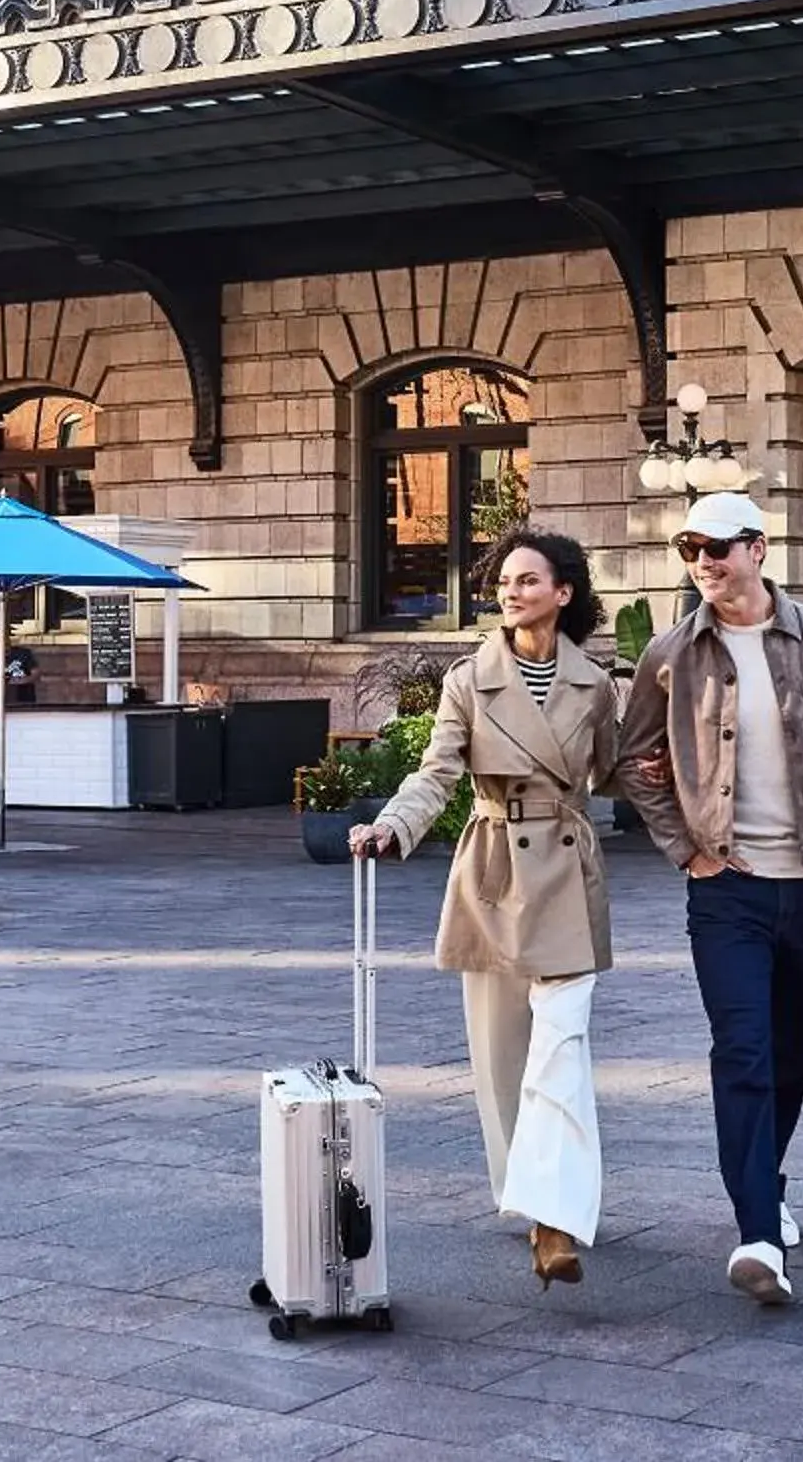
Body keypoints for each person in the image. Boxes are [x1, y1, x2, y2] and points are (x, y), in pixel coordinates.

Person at [619, 489, 803, 1309]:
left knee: (791, 1052)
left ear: (758, 548)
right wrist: (684, 847)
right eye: (691, 550)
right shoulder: (671, 655)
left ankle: (767, 1179)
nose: (705, 563)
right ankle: (756, 1230)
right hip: (727, 891)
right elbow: (632, 758)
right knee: (742, 1050)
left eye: (719, 547)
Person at [350, 527, 638, 1291]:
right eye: (504, 581)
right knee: (503, 1061)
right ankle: (534, 1198)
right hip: (494, 870)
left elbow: (612, 773)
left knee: (561, 1050)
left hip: (568, 874)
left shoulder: (596, 684)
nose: (511, 592)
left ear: (564, 593)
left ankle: (556, 1219)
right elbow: (436, 772)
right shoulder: (468, 680)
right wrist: (394, 826)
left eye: (528, 580)